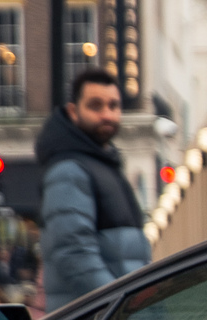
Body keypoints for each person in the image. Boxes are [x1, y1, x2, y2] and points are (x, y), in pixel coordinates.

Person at [37, 70, 150, 309]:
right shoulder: (69, 171)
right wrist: (119, 306)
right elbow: (74, 254)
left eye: (113, 105)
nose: (107, 114)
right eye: (95, 106)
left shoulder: (103, 166)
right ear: (73, 111)